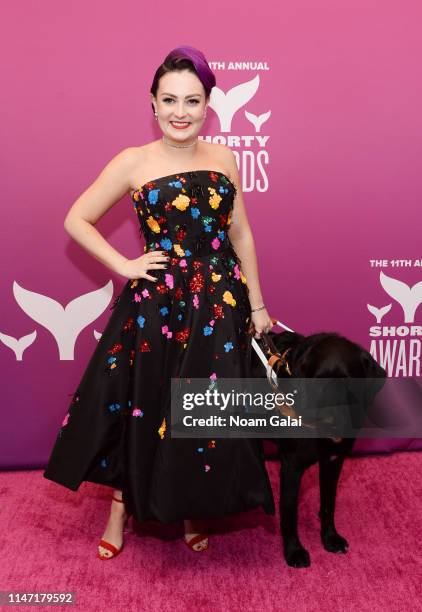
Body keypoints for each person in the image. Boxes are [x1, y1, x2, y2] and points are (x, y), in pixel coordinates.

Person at [43, 45, 275, 558]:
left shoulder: (224, 157)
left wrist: (256, 304)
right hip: (159, 308)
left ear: (208, 104)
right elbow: (75, 218)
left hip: (218, 305)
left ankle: (190, 504)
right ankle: (119, 513)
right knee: (146, 408)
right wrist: (125, 266)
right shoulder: (133, 161)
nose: (180, 111)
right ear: (151, 103)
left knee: (201, 411)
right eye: (169, 99)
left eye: (192, 101)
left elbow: (242, 234)